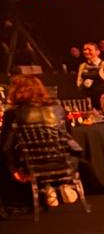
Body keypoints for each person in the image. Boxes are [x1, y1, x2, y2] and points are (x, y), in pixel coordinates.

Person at [1, 75, 82, 208]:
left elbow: (5, 147)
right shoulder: (58, 109)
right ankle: (64, 183)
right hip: (64, 162)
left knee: (20, 153)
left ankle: (47, 187)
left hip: (32, 166)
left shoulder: (12, 114)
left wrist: (13, 169)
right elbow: (68, 137)